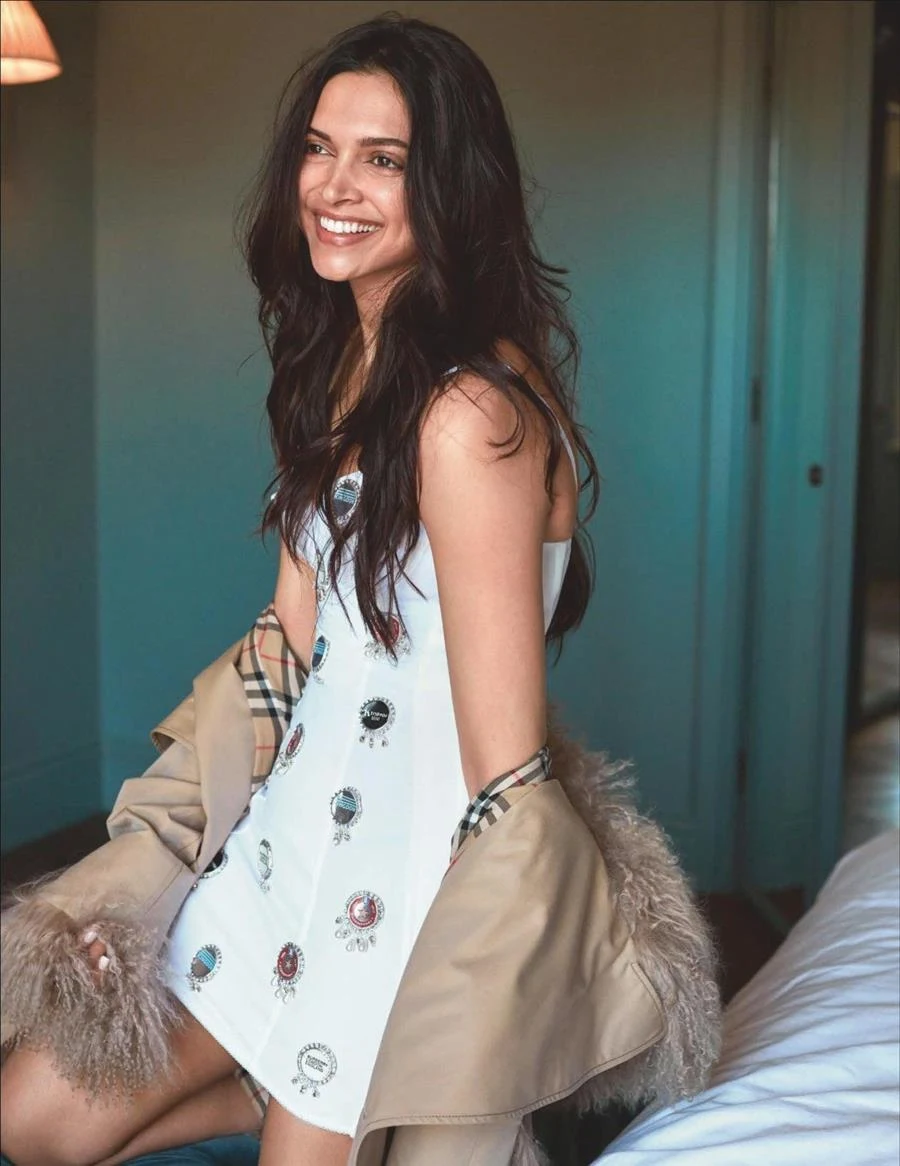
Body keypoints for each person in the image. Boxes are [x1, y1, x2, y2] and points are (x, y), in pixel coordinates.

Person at [0, 15, 721, 1166]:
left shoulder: (472, 414)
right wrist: (160, 860)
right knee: (32, 1118)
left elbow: (506, 770)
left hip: (400, 884)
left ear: (451, 187)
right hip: (287, 839)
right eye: (318, 147)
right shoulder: (341, 359)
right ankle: (270, 1083)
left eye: (382, 159)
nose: (334, 187)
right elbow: (290, 643)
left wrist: (451, 1012)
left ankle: (337, 1104)